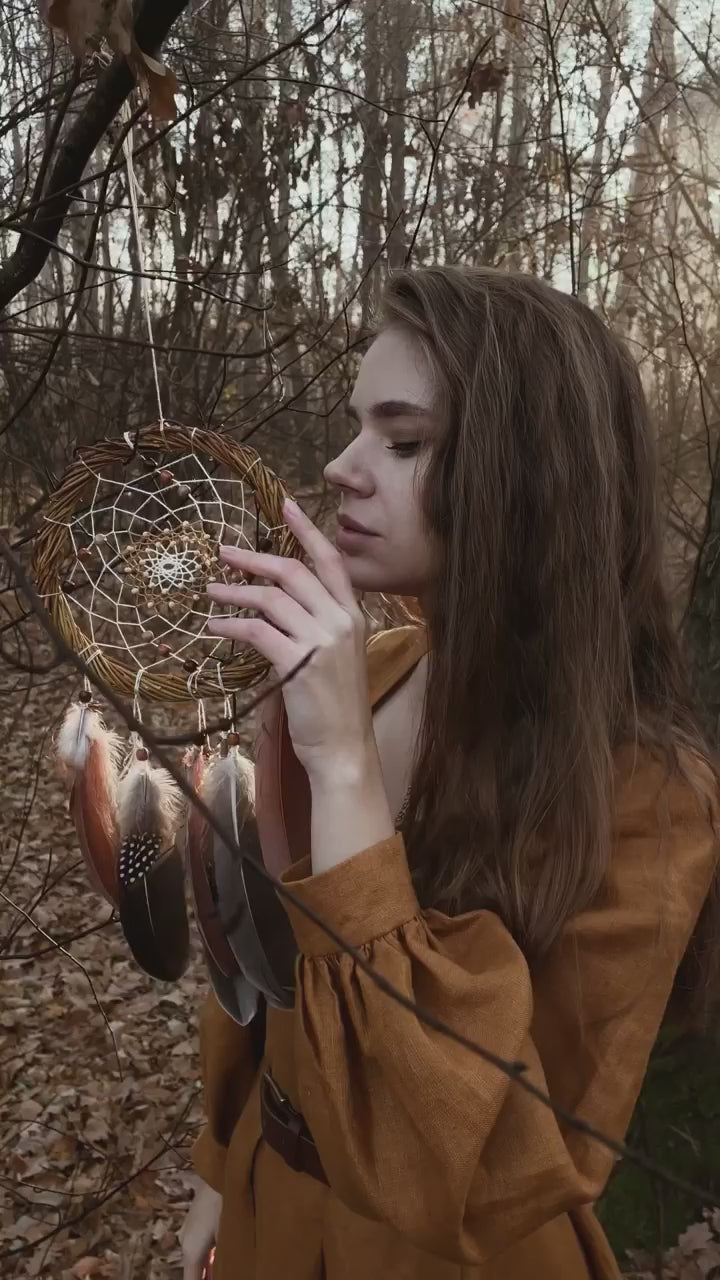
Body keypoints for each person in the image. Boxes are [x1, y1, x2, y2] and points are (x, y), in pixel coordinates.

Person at [179, 266, 719, 1280]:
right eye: (354, 428)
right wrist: (222, 1160)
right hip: (271, 1208)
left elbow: (479, 1170)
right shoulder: (368, 674)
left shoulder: (653, 802)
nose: (342, 467)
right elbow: (268, 972)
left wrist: (342, 766)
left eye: (405, 439)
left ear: (531, 478)